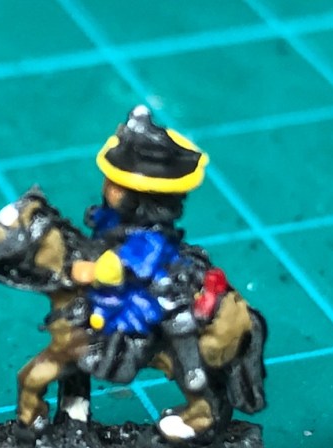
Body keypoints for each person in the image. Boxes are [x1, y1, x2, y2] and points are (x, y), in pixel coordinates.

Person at [70, 105, 229, 382]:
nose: (107, 187)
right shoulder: (116, 217)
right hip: (111, 288)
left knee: (163, 313)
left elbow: (129, 262)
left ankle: (190, 369)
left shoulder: (151, 236)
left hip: (146, 286)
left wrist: (95, 271)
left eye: (116, 186)